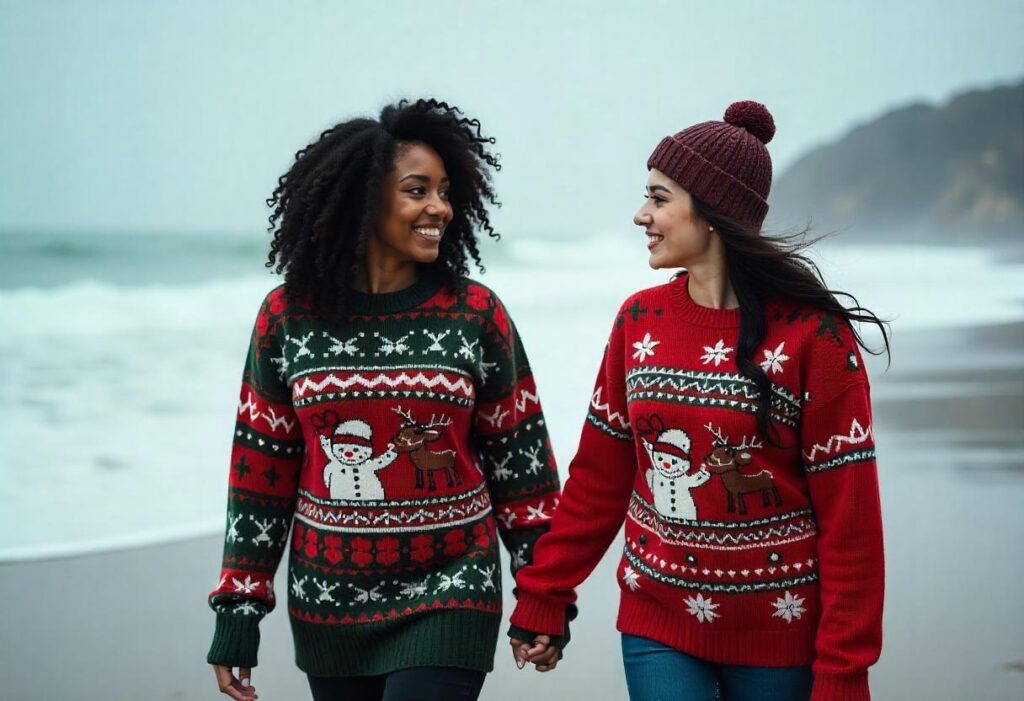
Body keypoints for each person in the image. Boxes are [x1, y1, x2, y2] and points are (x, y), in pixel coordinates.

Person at [508, 101, 887, 701]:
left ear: (711, 213)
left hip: (780, 636)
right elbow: (599, 480)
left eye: (659, 198)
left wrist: (845, 670)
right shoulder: (639, 321)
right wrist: (544, 593)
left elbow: (852, 526)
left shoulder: (815, 338)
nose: (641, 215)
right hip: (658, 621)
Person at [206, 98, 562, 701]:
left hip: (453, 586)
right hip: (330, 601)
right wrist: (239, 608)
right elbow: (260, 476)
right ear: (363, 199)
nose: (439, 208)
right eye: (418, 190)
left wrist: (544, 596)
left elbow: (523, 471)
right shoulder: (286, 317)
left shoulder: (476, 314)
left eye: (446, 192)